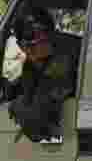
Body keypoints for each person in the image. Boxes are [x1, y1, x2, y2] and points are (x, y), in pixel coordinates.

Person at [3, 8, 79, 143]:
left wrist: (15, 107)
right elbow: (26, 85)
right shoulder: (38, 60)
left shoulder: (64, 57)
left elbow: (38, 123)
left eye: (31, 42)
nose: (23, 49)